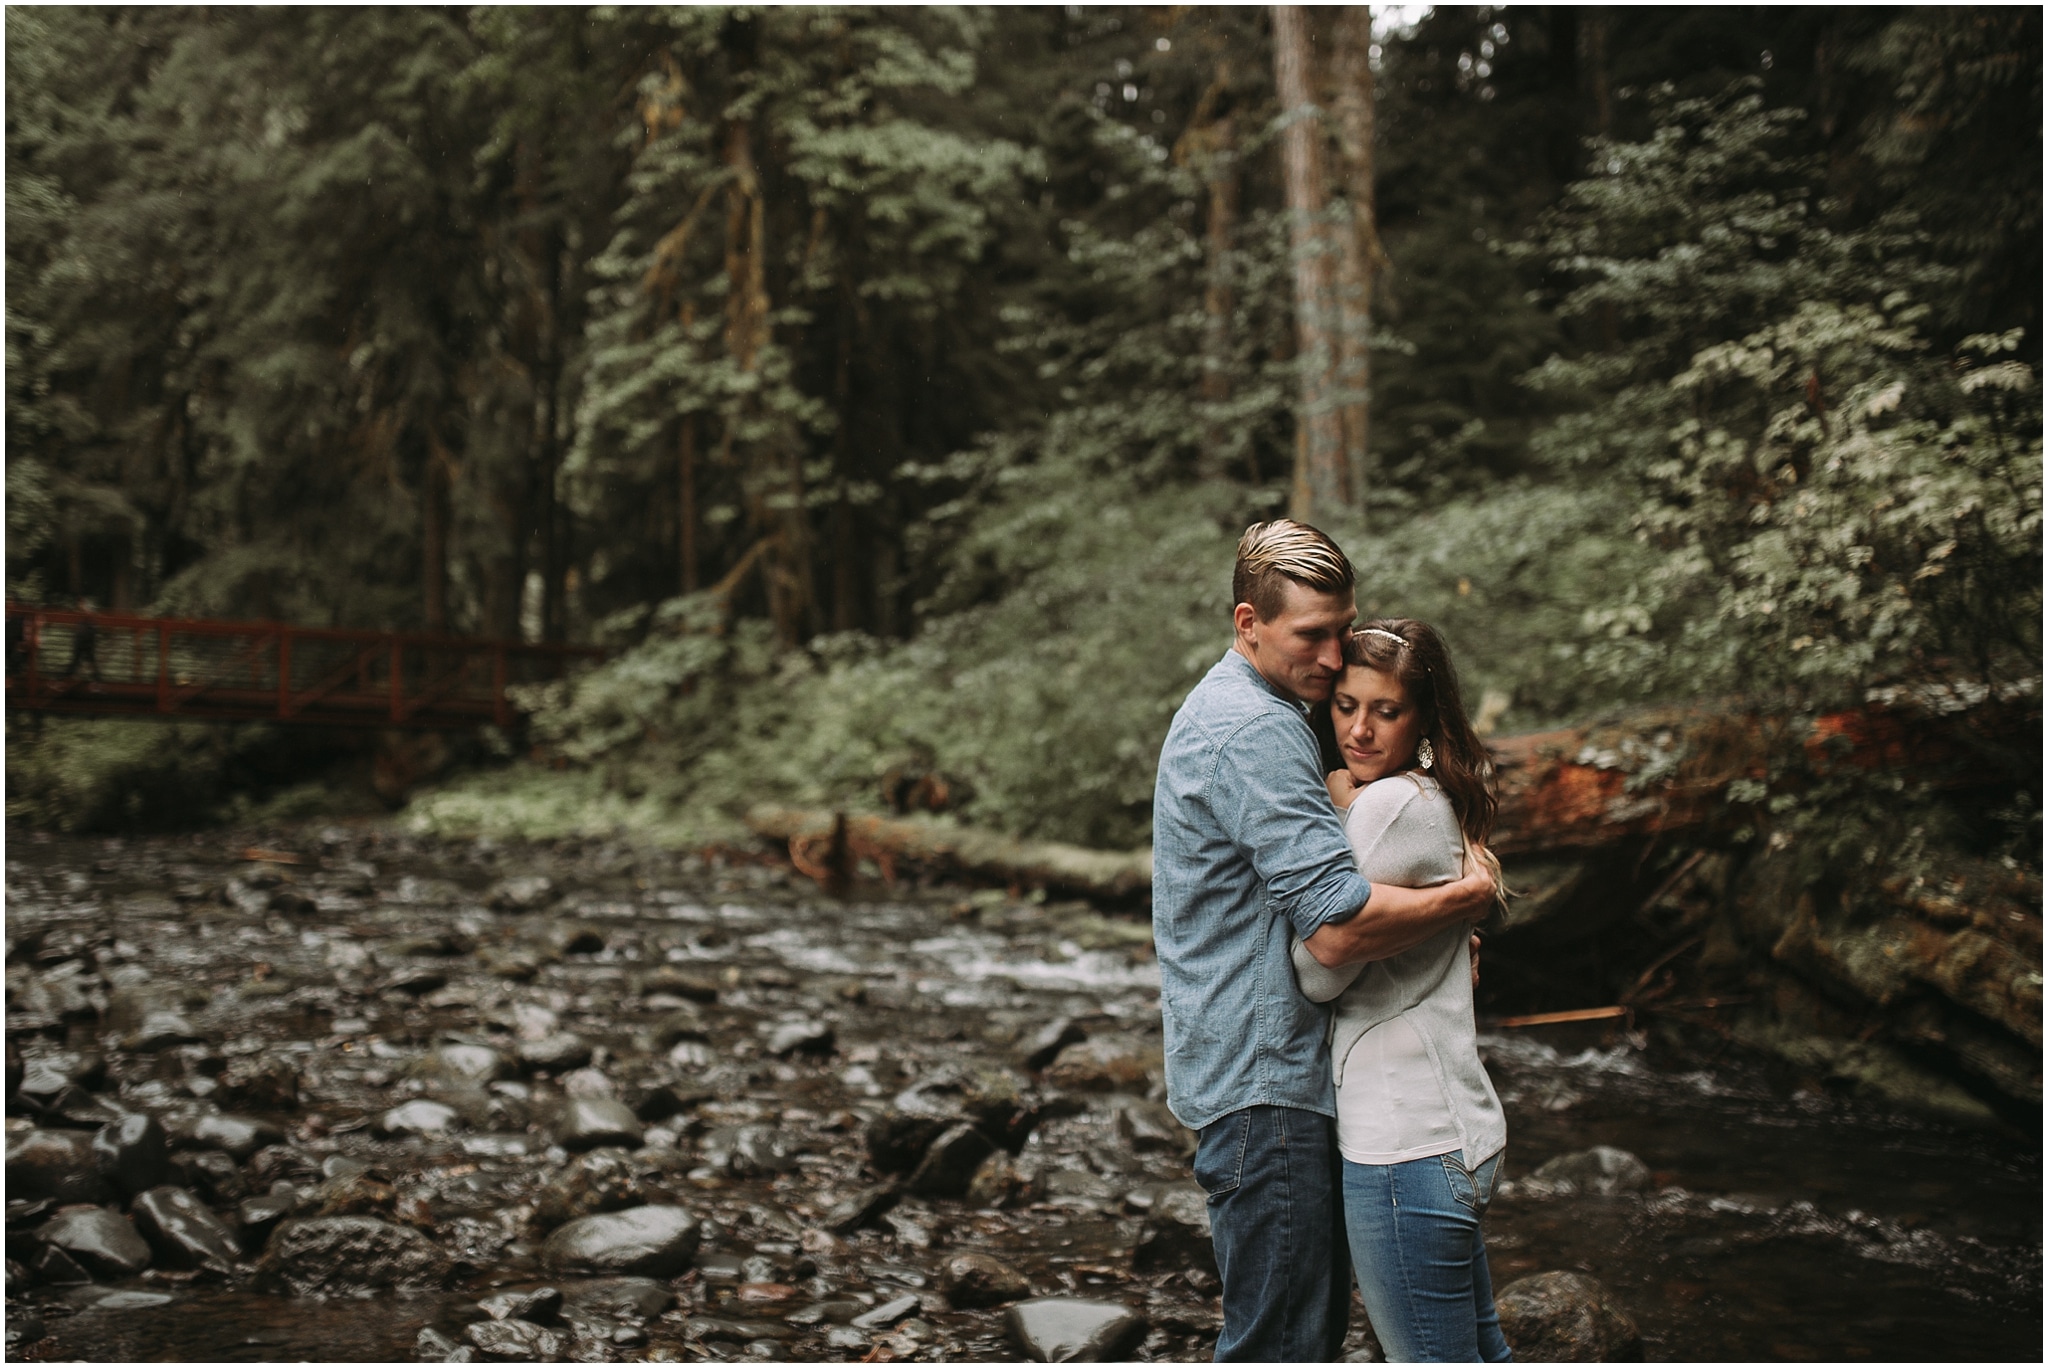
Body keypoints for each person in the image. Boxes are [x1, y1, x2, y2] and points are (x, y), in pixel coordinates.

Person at [1152, 520, 1498, 1362]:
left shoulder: (1261, 711)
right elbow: (1339, 931)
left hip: (1261, 1077)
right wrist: (1469, 896)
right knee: (1283, 1347)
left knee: (1297, 1338)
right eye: (1313, 636)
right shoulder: (1255, 730)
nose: (1337, 655)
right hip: (1267, 1087)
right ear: (1248, 624)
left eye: (1344, 630)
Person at [1291, 618, 1512, 1362]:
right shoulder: (1432, 796)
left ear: (1423, 719)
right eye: (1346, 705)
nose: (1359, 729)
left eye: (1385, 711)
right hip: (1450, 1132)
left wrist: (1344, 805)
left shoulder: (1388, 808)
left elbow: (1317, 968)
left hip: (1401, 1147)